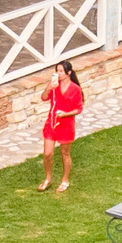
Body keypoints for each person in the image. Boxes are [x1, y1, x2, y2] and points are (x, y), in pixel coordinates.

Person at [36, 60, 84, 193]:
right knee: (47, 153)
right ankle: (48, 178)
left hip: (66, 125)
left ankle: (65, 180)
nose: (58, 73)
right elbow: (44, 98)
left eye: (61, 71)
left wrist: (66, 114)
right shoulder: (53, 85)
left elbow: (79, 109)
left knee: (65, 153)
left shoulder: (75, 89)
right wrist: (48, 88)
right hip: (52, 123)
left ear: (68, 73)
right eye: (57, 71)